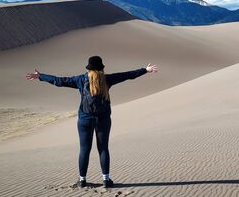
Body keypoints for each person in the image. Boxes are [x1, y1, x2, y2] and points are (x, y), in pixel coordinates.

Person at [26, 56, 158, 188]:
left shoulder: (80, 79)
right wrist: (145, 70)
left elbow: (59, 81)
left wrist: (41, 76)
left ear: (88, 68)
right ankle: (106, 180)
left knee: (84, 149)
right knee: (103, 149)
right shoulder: (107, 79)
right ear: (101, 68)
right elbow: (127, 75)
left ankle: (82, 180)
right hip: (103, 119)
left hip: (84, 119)